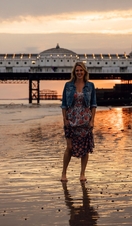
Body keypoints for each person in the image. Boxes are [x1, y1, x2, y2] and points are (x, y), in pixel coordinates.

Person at [61, 62, 97, 182]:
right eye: (77, 71)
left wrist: (92, 120)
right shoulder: (68, 85)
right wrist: (65, 119)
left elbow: (93, 104)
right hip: (71, 120)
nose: (79, 72)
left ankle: (82, 174)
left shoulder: (90, 86)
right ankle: (64, 173)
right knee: (69, 147)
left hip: (85, 120)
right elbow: (64, 104)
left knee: (85, 148)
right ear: (74, 72)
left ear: (85, 72)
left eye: (81, 70)